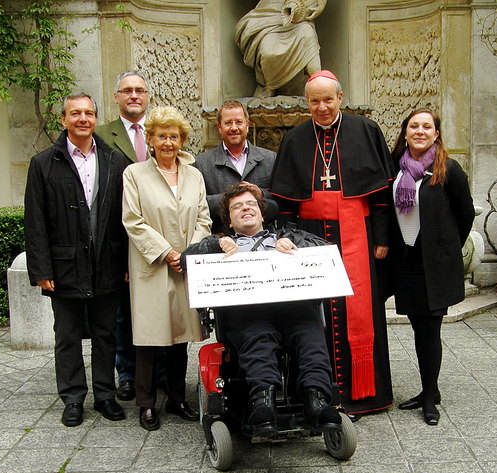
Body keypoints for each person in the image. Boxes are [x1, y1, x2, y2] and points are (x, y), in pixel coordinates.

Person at [269, 70, 395, 417]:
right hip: (311, 235)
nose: (322, 107)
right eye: (314, 101)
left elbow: (382, 196)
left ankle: (363, 394)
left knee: (357, 308)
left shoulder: (365, 130)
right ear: (306, 102)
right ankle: (317, 393)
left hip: (358, 233)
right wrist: (287, 240)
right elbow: (286, 204)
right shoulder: (295, 138)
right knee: (314, 312)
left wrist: (382, 239)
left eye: (328, 99)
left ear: (340, 98)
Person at [182, 183, 341, 436]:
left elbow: (327, 251)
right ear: (230, 221)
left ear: (262, 213)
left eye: (250, 204)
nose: (245, 208)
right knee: (258, 335)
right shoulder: (222, 242)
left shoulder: (288, 235)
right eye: (237, 207)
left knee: (310, 335)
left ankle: (317, 400)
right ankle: (262, 403)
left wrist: (293, 244)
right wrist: (216, 244)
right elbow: (185, 258)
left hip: (293, 307)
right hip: (248, 311)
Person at [24, 92, 127, 427]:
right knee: (67, 335)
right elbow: (35, 220)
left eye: (89, 113)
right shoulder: (43, 163)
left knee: (105, 333)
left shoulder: (113, 160)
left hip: (107, 263)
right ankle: (72, 398)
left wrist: (126, 264)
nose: (83, 119)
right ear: (64, 119)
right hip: (64, 266)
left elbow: (123, 219)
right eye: (75, 113)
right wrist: (41, 269)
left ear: (96, 118)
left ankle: (105, 395)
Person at [122, 106, 212, 430]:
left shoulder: (194, 175)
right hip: (154, 266)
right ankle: (146, 404)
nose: (168, 142)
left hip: (185, 267)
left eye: (174, 136)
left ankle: (177, 398)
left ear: (182, 139)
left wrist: (187, 253)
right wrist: (165, 253)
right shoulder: (134, 174)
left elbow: (204, 218)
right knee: (149, 338)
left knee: (180, 336)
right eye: (162, 136)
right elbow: (133, 220)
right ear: (151, 139)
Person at [388, 108, 474, 425]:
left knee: (429, 330)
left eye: (427, 126)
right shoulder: (395, 169)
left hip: (434, 264)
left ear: (436, 134)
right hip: (407, 262)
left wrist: (445, 246)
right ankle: (430, 390)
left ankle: (429, 398)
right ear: (405, 132)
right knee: (418, 327)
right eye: (414, 126)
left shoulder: (448, 169)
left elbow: (465, 215)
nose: (420, 131)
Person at [97, 70, 167, 402]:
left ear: (147, 96)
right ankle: (126, 374)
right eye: (127, 91)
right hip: (122, 240)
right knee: (126, 313)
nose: (134, 96)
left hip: (161, 241)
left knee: (162, 309)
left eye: (140, 90)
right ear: (117, 97)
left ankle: (162, 374)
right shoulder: (101, 136)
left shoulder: (160, 133)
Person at [193, 100, 277, 233]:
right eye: (228, 123)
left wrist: (260, 194)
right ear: (219, 128)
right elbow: (197, 206)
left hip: (264, 242)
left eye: (238, 122)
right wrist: (229, 198)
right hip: (221, 242)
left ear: (247, 125)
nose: (233, 128)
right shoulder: (202, 163)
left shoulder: (270, 159)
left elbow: (279, 200)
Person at [236, 0, 327, 97]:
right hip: (269, 15)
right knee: (268, 52)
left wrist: (320, 3)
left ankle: (319, 87)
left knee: (308, 34)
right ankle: (270, 86)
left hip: (298, 18)